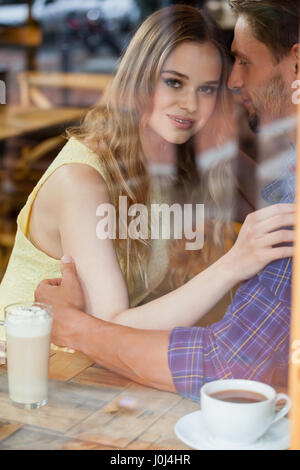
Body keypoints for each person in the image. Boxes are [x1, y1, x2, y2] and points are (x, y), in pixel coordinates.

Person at [34, 0, 299, 401]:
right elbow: (111, 325)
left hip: (107, 373)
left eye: (206, 89)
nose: (191, 105)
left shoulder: (183, 160)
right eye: (173, 82)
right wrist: (234, 263)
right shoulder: (82, 180)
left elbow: (281, 202)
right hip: (40, 372)